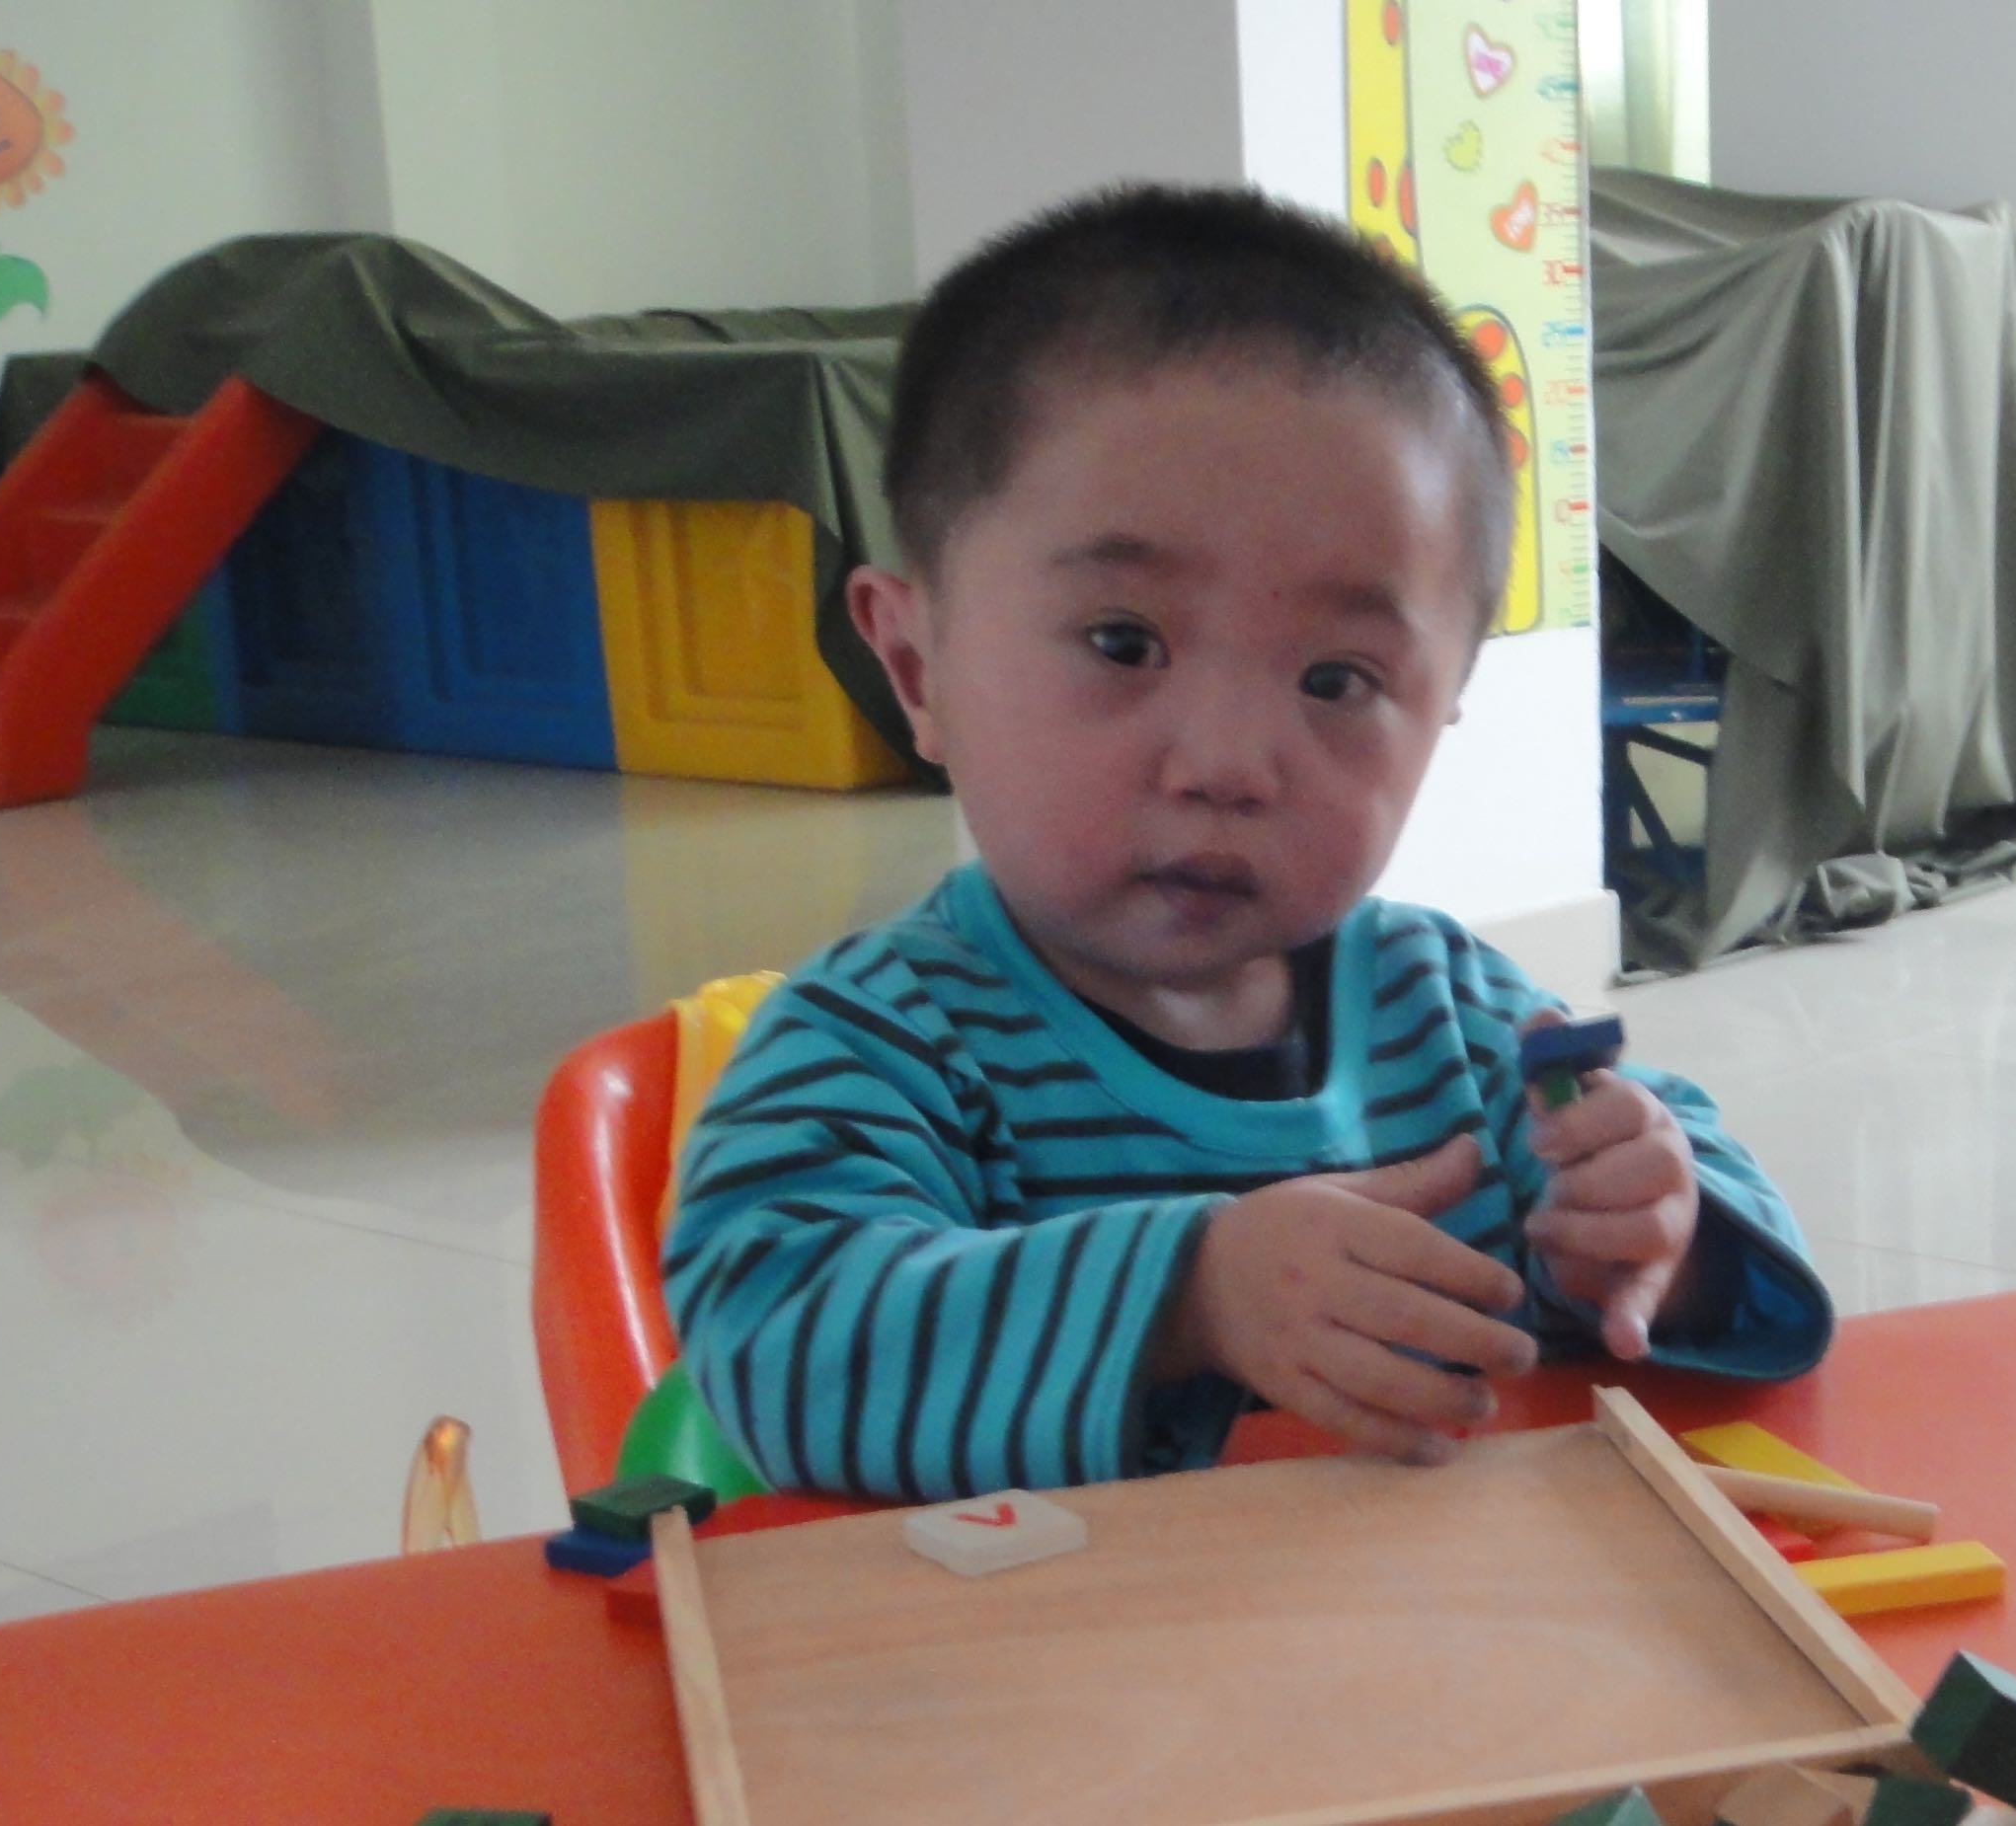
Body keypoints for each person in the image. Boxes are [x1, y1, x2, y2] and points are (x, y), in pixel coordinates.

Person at [661, 185, 1829, 1500]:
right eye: (1124, 643)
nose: (1225, 764)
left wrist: (1657, 1236)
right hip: (1050, 1635)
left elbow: (1701, 1215)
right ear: (917, 664)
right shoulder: (879, 1046)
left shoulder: (1462, 1021)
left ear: (1445, 708)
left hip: (1433, 1625)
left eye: (1337, 679)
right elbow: (778, 1343)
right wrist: (1187, 1297)